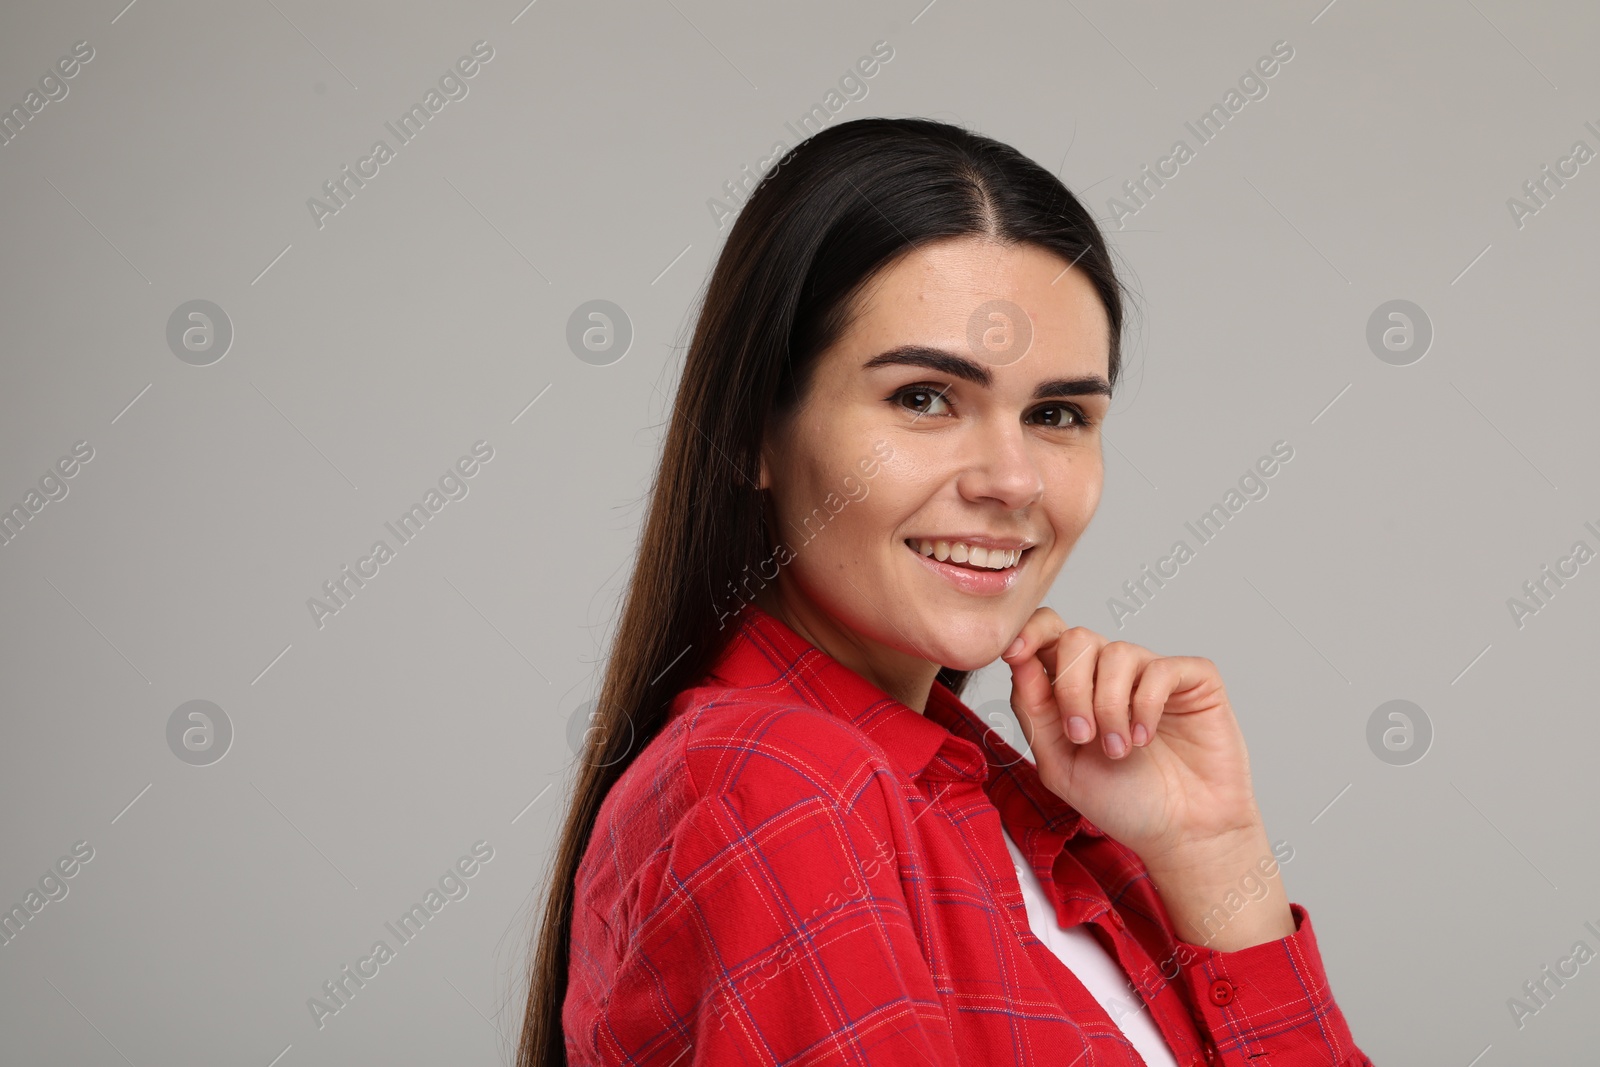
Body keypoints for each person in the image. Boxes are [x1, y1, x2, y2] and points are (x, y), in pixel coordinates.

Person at [516, 116, 1374, 1066]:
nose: (1011, 479)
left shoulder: (1003, 803)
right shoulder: (773, 787)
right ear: (754, 432)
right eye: (924, 397)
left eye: (1056, 414)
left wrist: (1213, 852)